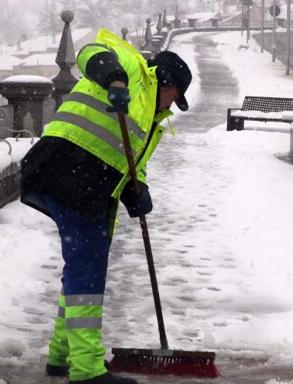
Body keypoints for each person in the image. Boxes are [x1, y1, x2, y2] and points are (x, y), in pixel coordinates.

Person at [20, 28, 192, 384]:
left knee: (84, 265)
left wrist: (137, 189)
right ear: (166, 81)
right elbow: (89, 52)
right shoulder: (132, 69)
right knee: (87, 269)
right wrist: (113, 77)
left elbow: (134, 163)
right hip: (68, 166)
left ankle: (60, 354)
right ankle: (86, 372)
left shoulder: (153, 123)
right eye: (175, 97)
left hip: (96, 185)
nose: (172, 106)